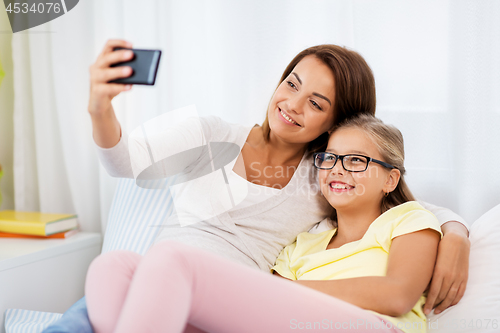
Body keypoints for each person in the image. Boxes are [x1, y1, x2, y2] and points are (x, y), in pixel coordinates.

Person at [82, 41, 469, 330]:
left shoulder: (322, 177)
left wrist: (455, 232)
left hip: (228, 300)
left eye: (316, 104)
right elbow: (125, 163)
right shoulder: (214, 134)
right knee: (110, 267)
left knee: (168, 259)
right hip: (162, 293)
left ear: (336, 124)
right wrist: (100, 107)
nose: (292, 104)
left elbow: (394, 197)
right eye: (291, 84)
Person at [85, 114, 441, 333]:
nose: (337, 169)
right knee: (113, 266)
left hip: (376, 328)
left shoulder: (408, 219)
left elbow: (397, 295)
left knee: (172, 260)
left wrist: (290, 293)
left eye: (356, 161)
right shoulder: (303, 244)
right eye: (329, 158)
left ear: (390, 179)